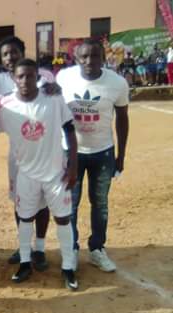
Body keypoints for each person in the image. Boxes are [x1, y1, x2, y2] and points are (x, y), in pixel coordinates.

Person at [0, 58, 79, 290]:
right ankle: (25, 262)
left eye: (30, 75)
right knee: (25, 218)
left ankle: (68, 267)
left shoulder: (53, 98)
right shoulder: (6, 105)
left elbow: (69, 129)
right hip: (26, 175)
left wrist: (74, 165)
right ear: (14, 79)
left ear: (37, 76)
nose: (25, 80)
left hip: (56, 173)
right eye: (21, 76)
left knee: (63, 218)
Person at [56, 39, 129, 273]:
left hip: (103, 153)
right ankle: (73, 248)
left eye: (95, 56)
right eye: (84, 57)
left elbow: (123, 118)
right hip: (70, 153)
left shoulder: (117, 83)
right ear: (76, 58)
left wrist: (120, 155)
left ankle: (97, 248)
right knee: (72, 204)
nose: (89, 61)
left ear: (103, 57)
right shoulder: (63, 78)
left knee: (100, 203)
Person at [0, 36, 56, 270]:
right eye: (5, 54)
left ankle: (39, 248)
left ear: (22, 52)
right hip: (18, 154)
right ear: (1, 59)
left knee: (42, 201)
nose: (10, 57)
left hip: (43, 151)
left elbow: (57, 103)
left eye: (14, 52)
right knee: (20, 202)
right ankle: (24, 247)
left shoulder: (45, 77)